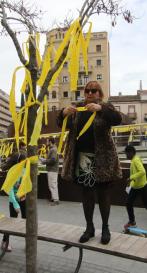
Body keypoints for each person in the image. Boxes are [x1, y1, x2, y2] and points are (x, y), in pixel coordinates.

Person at [56, 80, 122, 245]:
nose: (90, 93)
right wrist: (63, 113)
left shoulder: (106, 108)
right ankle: (89, 228)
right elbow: (60, 124)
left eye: (94, 91)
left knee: (103, 194)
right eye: (87, 91)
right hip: (82, 159)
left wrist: (102, 108)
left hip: (103, 159)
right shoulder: (77, 109)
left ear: (100, 93)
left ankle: (105, 228)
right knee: (86, 194)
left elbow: (117, 119)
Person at [123, 145, 147, 228]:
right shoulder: (133, 160)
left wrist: (131, 178)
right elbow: (134, 173)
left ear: (131, 153)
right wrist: (131, 182)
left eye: (127, 154)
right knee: (128, 203)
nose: (126, 156)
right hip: (135, 187)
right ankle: (132, 222)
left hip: (142, 187)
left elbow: (142, 171)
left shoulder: (135, 160)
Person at [0, 152, 27, 252]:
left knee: (27, 222)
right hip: (14, 200)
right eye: (24, 160)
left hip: (24, 199)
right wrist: (15, 204)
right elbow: (10, 188)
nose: (25, 162)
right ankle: (4, 242)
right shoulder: (11, 172)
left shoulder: (25, 170)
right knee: (11, 222)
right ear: (18, 161)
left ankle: (28, 243)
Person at [40, 137, 60, 206]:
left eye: (47, 141)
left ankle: (56, 200)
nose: (46, 142)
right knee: (51, 184)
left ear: (50, 142)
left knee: (53, 185)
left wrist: (44, 161)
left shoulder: (53, 149)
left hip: (52, 169)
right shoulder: (52, 149)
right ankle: (53, 198)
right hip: (51, 169)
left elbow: (53, 159)